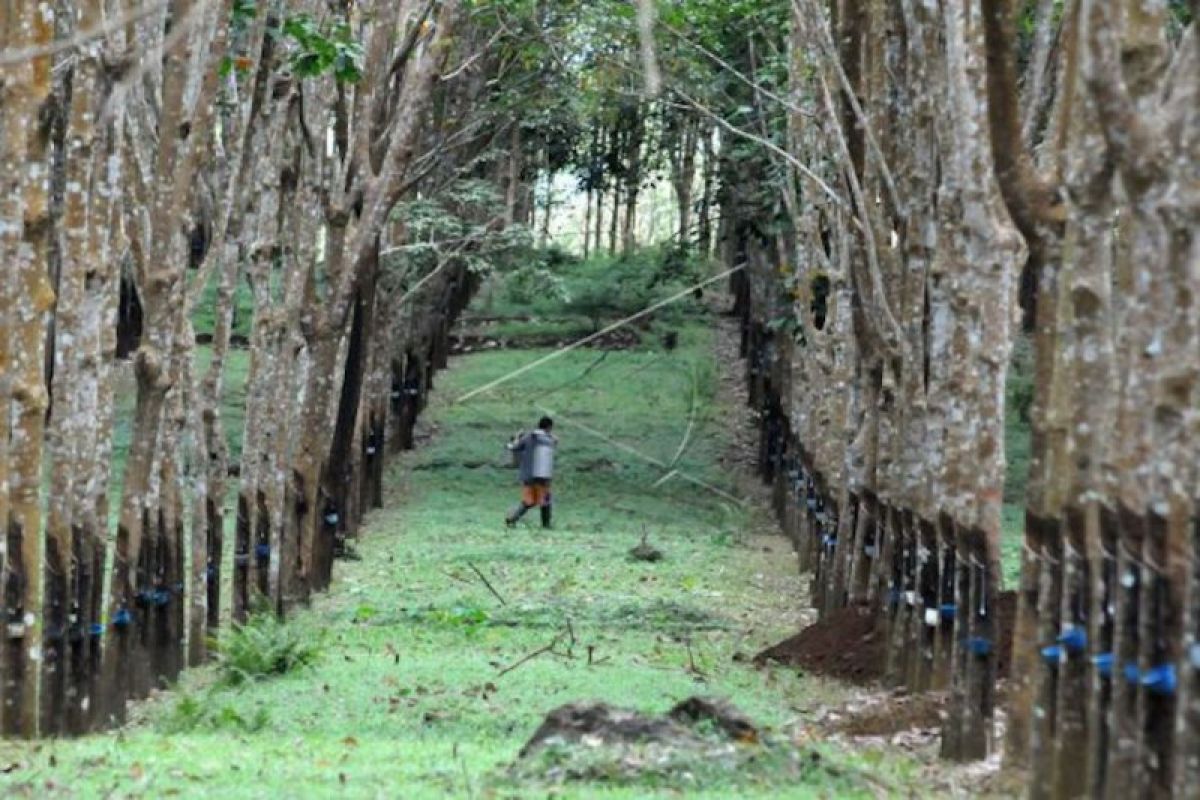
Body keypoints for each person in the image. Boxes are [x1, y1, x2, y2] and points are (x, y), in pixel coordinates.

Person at [505, 416, 557, 528]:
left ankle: (512, 519)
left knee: (529, 501)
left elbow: (514, 447)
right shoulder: (549, 439)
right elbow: (554, 443)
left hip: (528, 475)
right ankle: (546, 525)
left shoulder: (529, 437)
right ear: (549, 427)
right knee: (545, 500)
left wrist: (517, 437)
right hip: (543, 476)